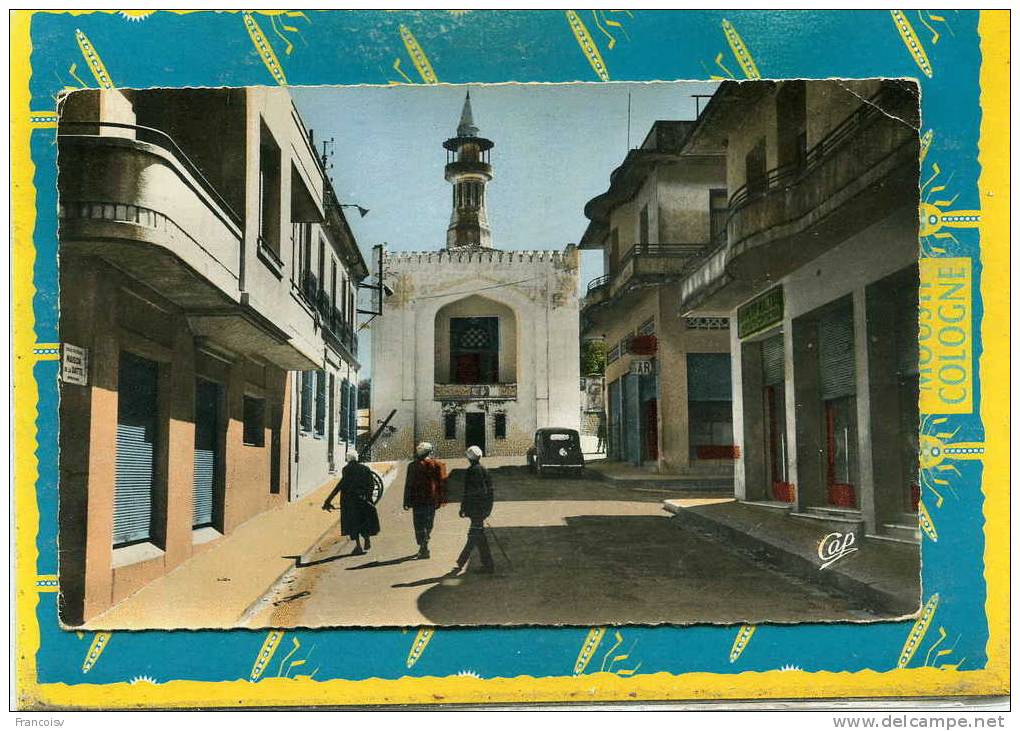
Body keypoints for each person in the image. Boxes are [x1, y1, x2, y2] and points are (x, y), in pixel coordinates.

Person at [322, 451, 380, 556]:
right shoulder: (365, 469)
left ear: (348, 459)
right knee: (363, 521)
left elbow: (341, 485)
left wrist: (328, 500)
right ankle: (367, 539)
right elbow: (371, 484)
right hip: (364, 500)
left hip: (351, 502)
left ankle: (358, 546)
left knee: (354, 524)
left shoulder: (346, 469)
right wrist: (368, 496)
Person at [454, 445, 495, 574]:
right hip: (482, 509)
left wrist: (464, 508)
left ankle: (462, 561)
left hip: (476, 510)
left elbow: (471, 492)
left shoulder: (472, 471)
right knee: (479, 536)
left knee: (473, 536)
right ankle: (487, 565)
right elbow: (489, 492)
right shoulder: (484, 470)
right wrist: (487, 509)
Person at [403, 442, 447, 559]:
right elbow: (441, 484)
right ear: (429, 452)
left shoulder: (412, 466)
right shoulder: (437, 465)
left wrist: (406, 501)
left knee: (418, 524)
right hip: (431, 500)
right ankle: (425, 543)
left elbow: (409, 484)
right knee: (429, 523)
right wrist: (441, 500)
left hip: (417, 501)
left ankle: (423, 546)